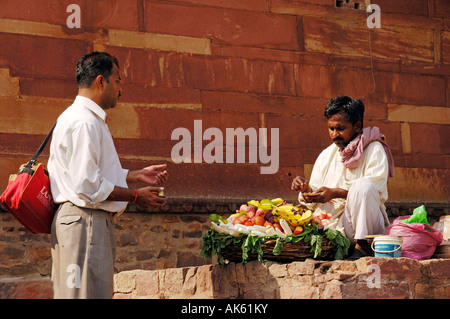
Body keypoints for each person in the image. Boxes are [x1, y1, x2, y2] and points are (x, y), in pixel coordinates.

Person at [48, 51, 168, 299]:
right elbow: (87, 184)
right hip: (85, 220)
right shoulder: (85, 122)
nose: (120, 89)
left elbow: (88, 174)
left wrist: (134, 176)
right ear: (100, 81)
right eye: (118, 81)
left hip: (83, 220)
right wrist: (136, 196)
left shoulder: (82, 118)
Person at [291, 96, 394, 259]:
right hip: (334, 227)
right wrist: (306, 189)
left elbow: (374, 192)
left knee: (363, 186)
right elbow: (313, 198)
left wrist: (336, 193)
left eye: (340, 128)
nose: (334, 134)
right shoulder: (326, 155)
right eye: (331, 128)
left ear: (357, 125)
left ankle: (362, 247)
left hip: (366, 226)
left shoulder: (374, 149)